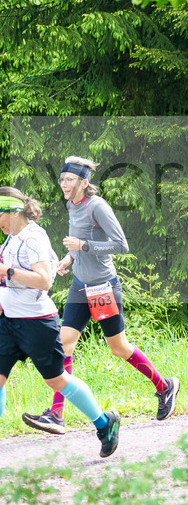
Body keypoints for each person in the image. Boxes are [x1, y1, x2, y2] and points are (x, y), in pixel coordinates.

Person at [22, 156, 180, 435]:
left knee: (118, 348)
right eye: (61, 180)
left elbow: (121, 245)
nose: (64, 184)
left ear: (84, 181)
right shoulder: (73, 205)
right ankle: (56, 414)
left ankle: (164, 386)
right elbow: (77, 244)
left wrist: (83, 246)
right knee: (64, 343)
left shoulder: (97, 206)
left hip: (102, 288)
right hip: (80, 285)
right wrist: (68, 259)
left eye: (69, 180)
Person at [0, 187, 120, 457]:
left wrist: (7, 271)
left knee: (57, 381)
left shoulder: (33, 238)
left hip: (37, 323)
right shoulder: (10, 239)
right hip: (8, 322)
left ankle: (104, 423)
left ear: (11, 211)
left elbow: (44, 280)